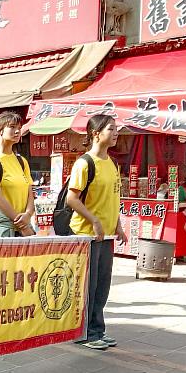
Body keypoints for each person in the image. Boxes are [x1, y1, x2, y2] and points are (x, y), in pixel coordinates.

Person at [65, 114, 127, 351]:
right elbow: (72, 198)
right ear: (95, 133)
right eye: (111, 129)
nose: (115, 133)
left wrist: (117, 225)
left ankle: (97, 329)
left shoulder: (112, 163)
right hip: (86, 235)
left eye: (116, 129)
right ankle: (86, 333)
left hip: (106, 235)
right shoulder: (84, 163)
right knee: (88, 286)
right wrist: (94, 221)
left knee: (102, 284)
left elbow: (113, 198)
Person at [0, 112, 35, 238]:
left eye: (19, 128)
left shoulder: (22, 161)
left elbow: (30, 192)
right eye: (12, 127)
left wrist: (29, 214)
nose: (17, 131)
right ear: (0, 130)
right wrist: (22, 225)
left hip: (24, 225)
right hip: (1, 227)